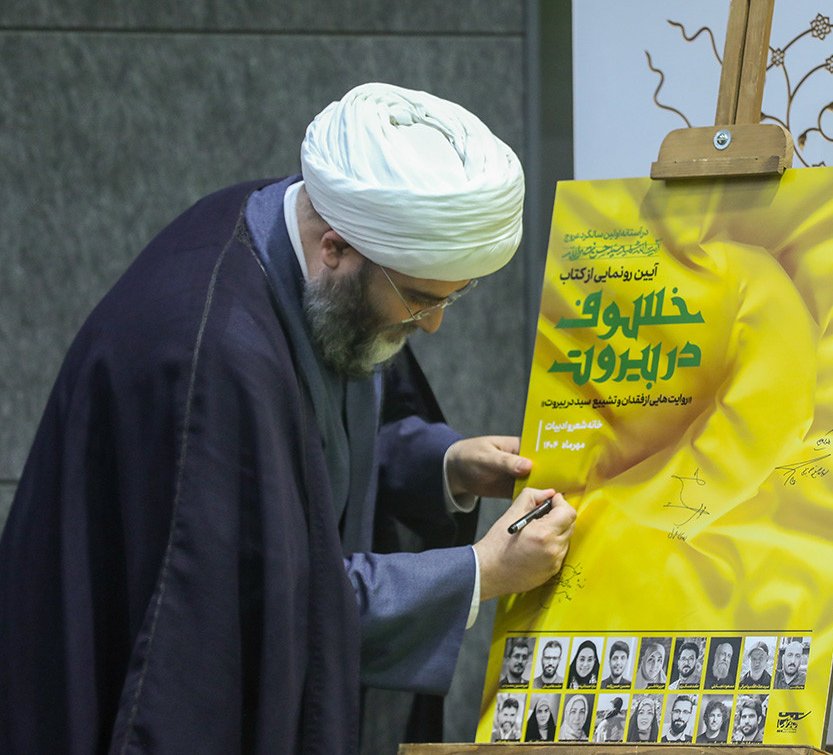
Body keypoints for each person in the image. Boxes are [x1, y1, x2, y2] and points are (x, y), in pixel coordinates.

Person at [0, 83, 578, 754]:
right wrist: (481, 571)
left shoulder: (292, 242)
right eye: (421, 300)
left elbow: (318, 441)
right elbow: (270, 611)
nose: (434, 326)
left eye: (451, 298)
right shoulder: (215, 358)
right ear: (335, 248)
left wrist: (443, 468)